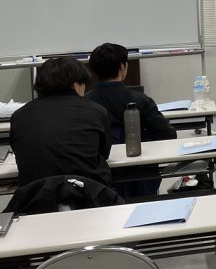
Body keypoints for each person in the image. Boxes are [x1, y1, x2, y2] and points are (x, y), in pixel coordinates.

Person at [87, 42, 176, 196]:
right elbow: (168, 135)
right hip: (142, 178)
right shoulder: (140, 100)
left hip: (100, 179)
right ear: (123, 67)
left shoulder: (85, 104)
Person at [10, 57, 113, 188]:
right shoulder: (96, 111)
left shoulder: (19, 116)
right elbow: (104, 153)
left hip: (35, 196)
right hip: (88, 192)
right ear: (75, 85)